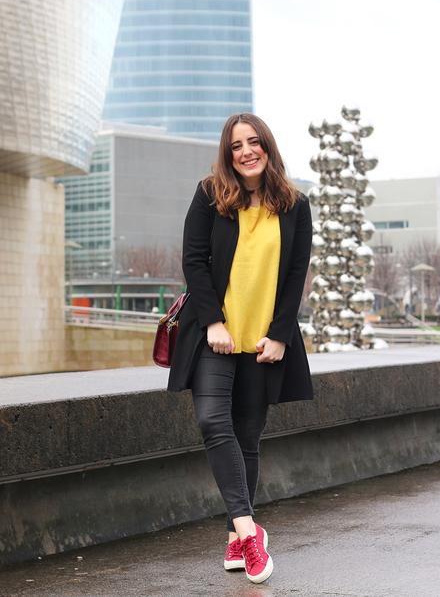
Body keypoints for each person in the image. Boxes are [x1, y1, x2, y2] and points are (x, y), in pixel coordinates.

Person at [167, 113, 314, 584]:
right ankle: (250, 534)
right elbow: (194, 259)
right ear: (227, 154)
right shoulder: (210, 194)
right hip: (215, 335)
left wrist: (281, 335)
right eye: (236, 145)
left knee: (248, 438)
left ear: (267, 147)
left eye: (254, 142)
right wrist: (211, 320)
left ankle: (235, 537)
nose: (246, 151)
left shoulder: (295, 205)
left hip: (262, 339)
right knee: (213, 421)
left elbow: (295, 276)